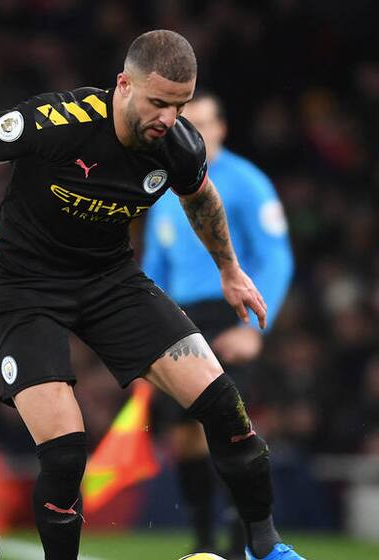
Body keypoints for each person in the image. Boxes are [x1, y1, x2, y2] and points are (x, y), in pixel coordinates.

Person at [0, 29, 305, 560]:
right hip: (23, 287)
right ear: (124, 85)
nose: (168, 118)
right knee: (65, 454)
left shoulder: (179, 144)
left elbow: (201, 198)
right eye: (158, 102)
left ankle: (268, 549)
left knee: (225, 406)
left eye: (180, 106)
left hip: (108, 279)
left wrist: (230, 270)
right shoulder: (60, 120)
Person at [142, 91, 294, 558]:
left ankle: (243, 539)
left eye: (205, 123)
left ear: (222, 128)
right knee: (184, 433)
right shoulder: (164, 184)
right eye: (188, 123)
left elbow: (275, 258)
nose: (196, 132)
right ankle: (204, 538)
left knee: (230, 425)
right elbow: (153, 267)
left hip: (230, 312)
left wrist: (253, 330)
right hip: (178, 315)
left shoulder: (247, 183)